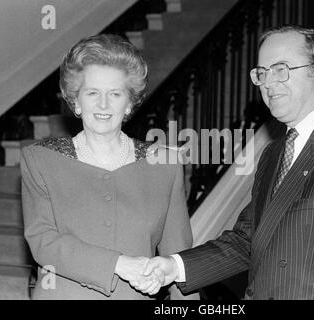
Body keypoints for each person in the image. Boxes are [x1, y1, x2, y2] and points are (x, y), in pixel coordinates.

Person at [138, 25, 314, 299]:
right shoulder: (274, 153)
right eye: (261, 73)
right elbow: (248, 241)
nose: (267, 83)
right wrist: (173, 267)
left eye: (281, 69)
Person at [21, 34, 197, 299]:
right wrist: (119, 264)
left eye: (115, 94)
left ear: (129, 104)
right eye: (92, 93)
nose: (103, 105)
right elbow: (43, 243)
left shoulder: (166, 164)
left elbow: (179, 259)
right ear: (76, 102)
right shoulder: (40, 160)